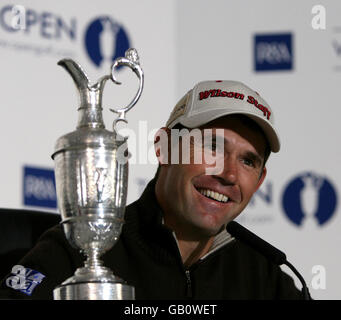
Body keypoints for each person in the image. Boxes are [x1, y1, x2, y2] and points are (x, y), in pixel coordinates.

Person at [0, 80, 304, 300]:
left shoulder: (266, 277)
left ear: (260, 180)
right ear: (164, 147)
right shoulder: (76, 251)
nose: (228, 174)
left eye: (248, 161)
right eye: (212, 146)